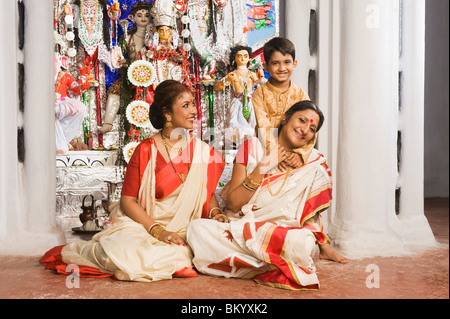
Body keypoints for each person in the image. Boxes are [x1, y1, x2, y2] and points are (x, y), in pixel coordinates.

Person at [41, 80, 225, 282]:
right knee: (125, 249)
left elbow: (206, 193)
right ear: (167, 113)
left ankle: (141, 263)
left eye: (193, 104)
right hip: (143, 224)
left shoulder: (203, 152)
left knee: (181, 251)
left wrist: (215, 213)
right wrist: (157, 231)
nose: (194, 111)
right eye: (186, 105)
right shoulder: (146, 150)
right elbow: (128, 200)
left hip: (184, 228)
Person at [187, 100, 348, 291]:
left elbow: (310, 213)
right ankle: (270, 263)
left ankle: (246, 261)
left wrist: (323, 244)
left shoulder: (313, 161)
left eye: (312, 128)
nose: (305, 130)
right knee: (197, 229)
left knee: (303, 243)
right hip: (242, 225)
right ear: (285, 117)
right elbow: (233, 204)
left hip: (279, 231)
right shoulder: (252, 146)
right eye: (302, 120)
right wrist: (264, 165)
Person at [252, 37, 312, 168]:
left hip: (293, 150)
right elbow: (264, 126)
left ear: (294, 64)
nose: (282, 68)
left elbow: (311, 125)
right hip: (265, 149)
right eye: (275, 63)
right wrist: (276, 155)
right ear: (266, 66)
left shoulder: (300, 95)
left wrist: (300, 154)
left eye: (287, 62)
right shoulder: (259, 95)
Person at [98, 1, 153, 133]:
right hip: (131, 75)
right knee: (115, 90)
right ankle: (108, 123)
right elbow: (122, 59)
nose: (143, 18)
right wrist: (122, 61)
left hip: (152, 76)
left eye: (146, 15)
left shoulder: (154, 37)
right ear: (132, 17)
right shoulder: (128, 37)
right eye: (139, 15)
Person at [214, 45, 264, 145]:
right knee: (233, 123)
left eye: (245, 56)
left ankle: (249, 145)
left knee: (252, 124)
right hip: (237, 102)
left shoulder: (251, 74)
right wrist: (228, 80)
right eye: (239, 56)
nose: (242, 58)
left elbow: (262, 84)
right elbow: (217, 87)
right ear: (234, 59)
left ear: (249, 58)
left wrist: (260, 78)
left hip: (250, 102)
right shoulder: (233, 75)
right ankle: (235, 147)